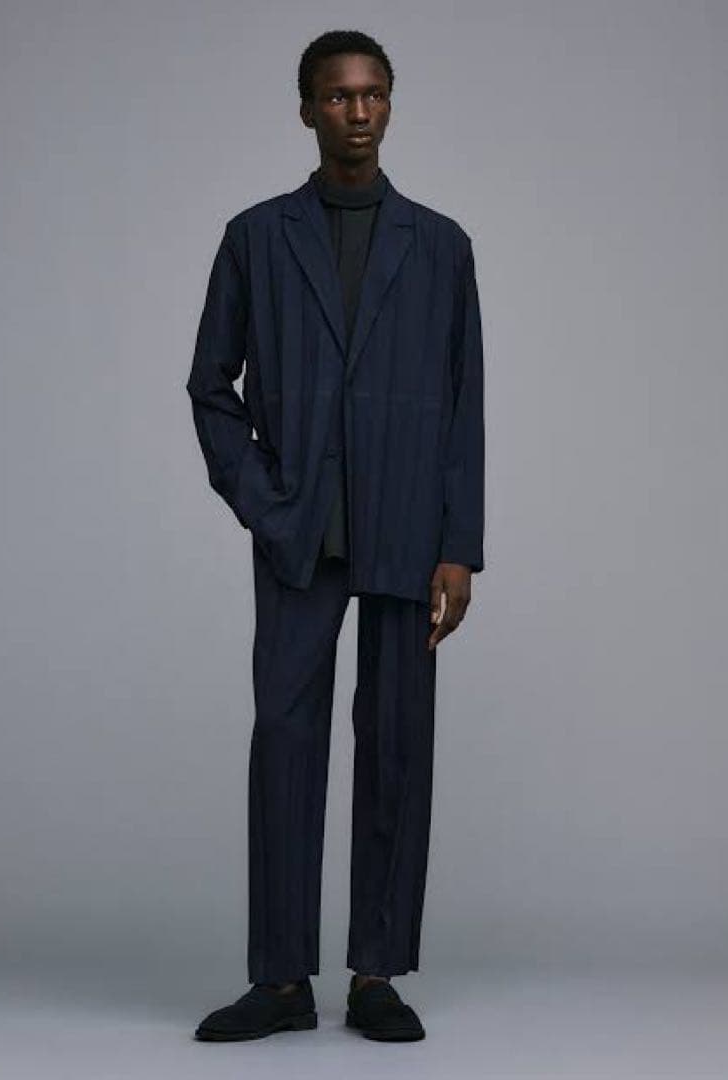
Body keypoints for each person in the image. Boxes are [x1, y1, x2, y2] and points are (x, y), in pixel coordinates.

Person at [186, 28, 485, 1043]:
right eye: (339, 95)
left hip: (406, 528)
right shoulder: (256, 238)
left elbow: (464, 403)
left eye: (374, 94)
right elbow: (210, 386)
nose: (359, 111)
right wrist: (262, 499)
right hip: (299, 531)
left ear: (390, 104)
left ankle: (374, 976)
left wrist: (460, 545)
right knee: (285, 743)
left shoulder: (440, 246)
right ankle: (280, 981)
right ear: (307, 109)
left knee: (396, 747)